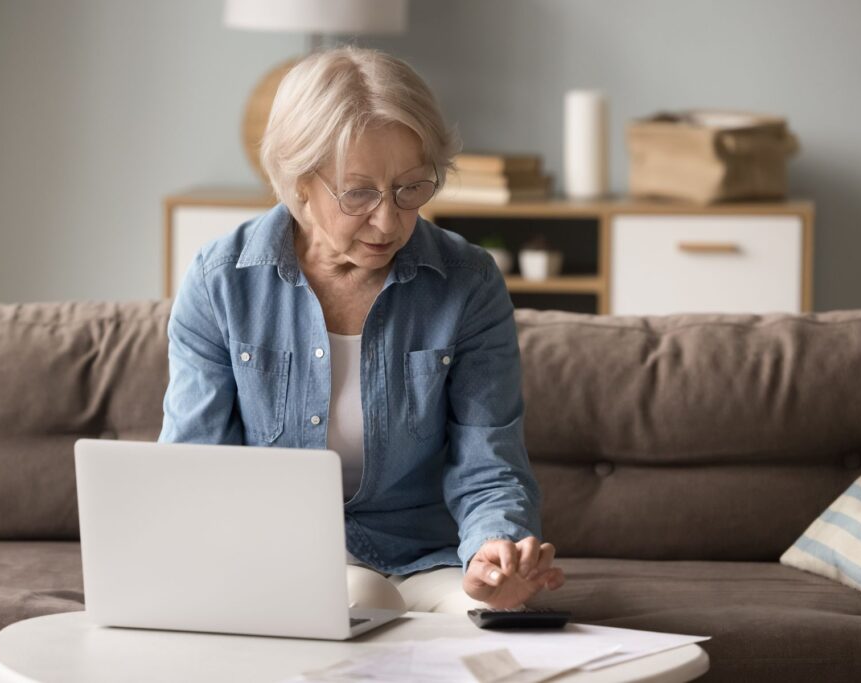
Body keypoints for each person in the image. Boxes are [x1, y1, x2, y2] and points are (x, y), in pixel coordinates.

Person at [158, 46, 565, 613]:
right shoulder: (221, 282)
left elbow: (489, 460)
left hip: (432, 556)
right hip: (284, 558)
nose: (389, 219)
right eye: (358, 193)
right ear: (298, 180)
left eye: (411, 188)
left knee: (487, 620)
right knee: (349, 602)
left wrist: (494, 553)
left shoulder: (467, 281)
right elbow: (194, 466)